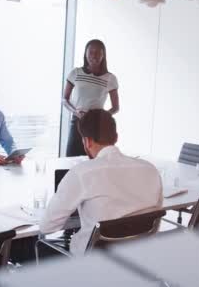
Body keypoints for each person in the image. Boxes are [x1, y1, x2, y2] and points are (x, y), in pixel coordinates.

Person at [39, 109, 162, 256]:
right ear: (116, 137)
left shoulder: (81, 173)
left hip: (94, 264)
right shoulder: (150, 169)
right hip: (140, 258)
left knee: (39, 246)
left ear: (87, 141)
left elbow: (47, 226)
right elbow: (154, 214)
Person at [63, 39, 119, 157]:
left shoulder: (110, 78)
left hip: (96, 125)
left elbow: (115, 107)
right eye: (91, 52)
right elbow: (65, 99)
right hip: (78, 121)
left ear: (103, 55)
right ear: (85, 54)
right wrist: (75, 111)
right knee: (71, 158)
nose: (94, 56)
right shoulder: (75, 73)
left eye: (98, 53)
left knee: (94, 160)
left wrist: (100, 116)